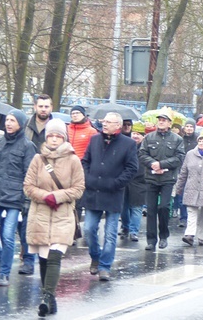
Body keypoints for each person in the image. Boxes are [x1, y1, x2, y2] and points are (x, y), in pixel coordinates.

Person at [24, 119, 85, 317]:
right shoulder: (37, 159)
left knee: (54, 256)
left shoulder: (73, 160)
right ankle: (51, 300)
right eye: (50, 135)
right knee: (43, 259)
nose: (53, 139)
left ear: (63, 137)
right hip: (40, 215)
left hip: (63, 215)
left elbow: (79, 188)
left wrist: (58, 196)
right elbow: (28, 186)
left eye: (58, 135)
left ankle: (46, 296)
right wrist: (44, 196)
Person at [80, 112, 138, 281]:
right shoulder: (95, 139)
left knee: (111, 233)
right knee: (89, 229)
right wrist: (87, 177)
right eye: (104, 121)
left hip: (113, 194)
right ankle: (95, 256)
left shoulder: (128, 144)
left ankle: (105, 266)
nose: (105, 124)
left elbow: (132, 168)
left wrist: (116, 183)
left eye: (109, 122)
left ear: (118, 126)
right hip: (93, 191)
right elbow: (85, 161)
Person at [0, 109, 37, 286]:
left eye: (12, 120)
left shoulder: (28, 146)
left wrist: (26, 199)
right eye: (7, 120)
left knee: (7, 236)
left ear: (20, 123)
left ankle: (4, 273)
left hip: (14, 198)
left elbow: (30, 174)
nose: (8, 123)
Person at [138, 108, 186, 250]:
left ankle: (163, 235)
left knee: (164, 207)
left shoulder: (177, 139)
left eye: (164, 120)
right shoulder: (149, 137)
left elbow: (179, 158)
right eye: (160, 120)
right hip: (151, 177)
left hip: (167, 178)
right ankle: (151, 240)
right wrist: (152, 163)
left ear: (170, 124)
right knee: (151, 210)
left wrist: (162, 164)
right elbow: (142, 154)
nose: (161, 122)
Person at [19, 94, 53, 275]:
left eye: (47, 106)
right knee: (27, 221)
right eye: (41, 106)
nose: (43, 109)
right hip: (28, 178)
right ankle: (28, 260)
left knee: (46, 223)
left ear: (51, 108)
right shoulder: (25, 126)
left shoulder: (57, 129)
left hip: (49, 180)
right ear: (35, 107)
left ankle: (45, 260)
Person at [120, 121, 147, 242]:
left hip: (140, 182)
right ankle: (125, 227)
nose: (136, 136)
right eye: (134, 133)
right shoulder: (125, 146)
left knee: (136, 208)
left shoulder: (146, 149)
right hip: (125, 181)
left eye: (139, 134)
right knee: (123, 207)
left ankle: (133, 231)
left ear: (143, 136)